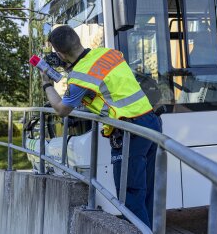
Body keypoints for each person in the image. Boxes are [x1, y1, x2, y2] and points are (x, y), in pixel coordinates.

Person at [41, 25, 162, 228]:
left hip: (129, 132)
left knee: (129, 197)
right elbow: (108, 86)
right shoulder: (109, 54)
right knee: (144, 193)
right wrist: (70, 68)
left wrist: (46, 83)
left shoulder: (79, 78)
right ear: (77, 39)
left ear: (60, 53)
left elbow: (61, 109)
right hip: (150, 122)